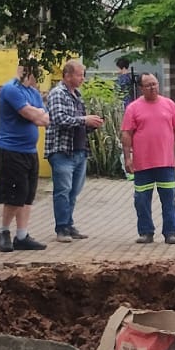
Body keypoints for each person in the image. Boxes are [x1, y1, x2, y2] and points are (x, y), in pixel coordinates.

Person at [121, 72, 175, 244]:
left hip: (165, 162)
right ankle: (146, 232)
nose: (153, 88)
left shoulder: (169, 104)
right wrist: (127, 158)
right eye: (148, 85)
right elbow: (126, 134)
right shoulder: (133, 108)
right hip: (142, 164)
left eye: (155, 84)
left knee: (168, 198)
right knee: (142, 200)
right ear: (141, 88)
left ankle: (170, 232)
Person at [45, 59, 105, 243]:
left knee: (73, 191)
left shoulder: (77, 95)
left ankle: (69, 225)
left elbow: (78, 123)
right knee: (63, 191)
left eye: (83, 75)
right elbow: (59, 119)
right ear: (67, 75)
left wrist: (91, 125)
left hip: (79, 150)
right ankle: (61, 228)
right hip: (62, 151)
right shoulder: (57, 93)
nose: (82, 79)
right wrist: (84, 120)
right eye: (79, 75)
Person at [0, 62, 52, 252]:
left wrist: (37, 113)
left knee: (27, 195)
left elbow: (45, 119)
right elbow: (30, 114)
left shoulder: (34, 93)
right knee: (15, 195)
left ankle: (22, 235)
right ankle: (3, 231)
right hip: (11, 150)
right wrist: (37, 113)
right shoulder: (11, 89)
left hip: (30, 151)